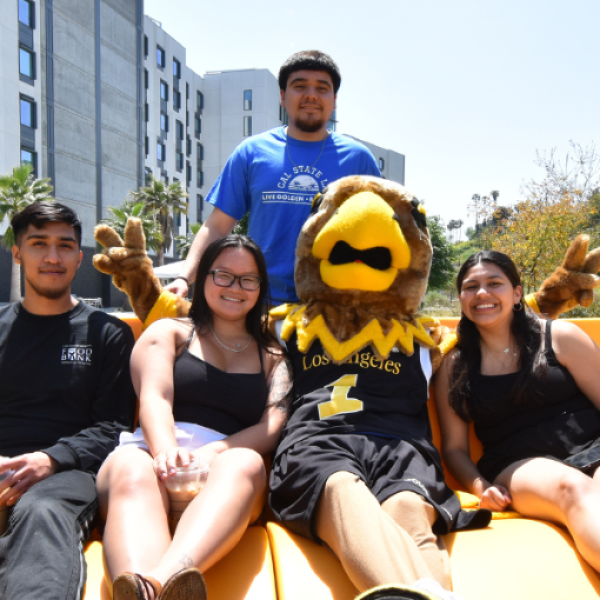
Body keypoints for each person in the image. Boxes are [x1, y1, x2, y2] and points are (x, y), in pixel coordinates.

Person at [97, 235, 292, 600]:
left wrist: (213, 453)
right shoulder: (169, 332)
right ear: (203, 278)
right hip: (151, 455)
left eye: (248, 279)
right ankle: (151, 585)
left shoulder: (272, 355)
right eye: (223, 275)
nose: (235, 287)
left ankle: (153, 584)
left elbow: (272, 425)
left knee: (247, 463)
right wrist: (165, 452)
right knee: (132, 467)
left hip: (226, 475)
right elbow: (155, 397)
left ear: (260, 287)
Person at [166, 50, 380, 305]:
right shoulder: (252, 152)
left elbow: (380, 232)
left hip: (335, 309)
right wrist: (183, 279)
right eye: (299, 86)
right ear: (282, 97)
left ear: (334, 100)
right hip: (258, 305)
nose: (311, 94)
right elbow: (217, 226)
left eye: (322, 88)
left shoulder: (358, 159)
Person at [0, 202, 136, 600]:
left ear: (80, 257)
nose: (52, 257)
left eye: (64, 246)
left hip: (68, 474)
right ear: (17, 252)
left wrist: (51, 458)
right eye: (39, 244)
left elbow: (115, 427)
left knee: (41, 510)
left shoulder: (107, 334)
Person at [434, 250, 600, 572]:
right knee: (574, 488)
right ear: (461, 299)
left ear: (517, 293)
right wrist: (481, 487)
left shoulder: (559, 337)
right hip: (518, 463)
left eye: (494, 283)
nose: (482, 293)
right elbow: (454, 449)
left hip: (593, 442)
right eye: (471, 287)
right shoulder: (454, 365)